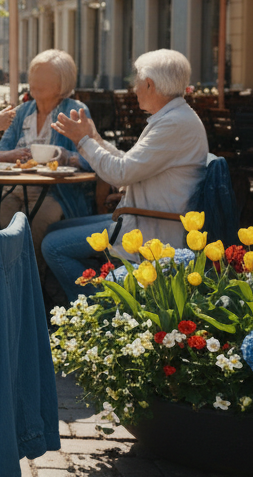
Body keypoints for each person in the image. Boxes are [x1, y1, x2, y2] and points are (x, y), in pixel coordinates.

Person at [43, 49, 209, 298]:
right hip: (139, 216)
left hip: (152, 227)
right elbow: (129, 164)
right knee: (55, 229)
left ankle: (98, 309)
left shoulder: (173, 124)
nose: (134, 89)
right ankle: (104, 300)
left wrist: (83, 142)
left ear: (150, 85)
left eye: (137, 82)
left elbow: (119, 174)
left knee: (52, 246)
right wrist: (94, 138)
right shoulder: (173, 118)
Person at [0, 50, 96, 247]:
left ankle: (35, 274)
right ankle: (14, 268)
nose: (35, 81)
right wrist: (9, 155)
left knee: (39, 222)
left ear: (62, 83)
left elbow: (93, 159)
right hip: (16, 186)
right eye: (34, 73)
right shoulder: (22, 112)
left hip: (57, 191)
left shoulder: (75, 111)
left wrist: (66, 157)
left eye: (43, 75)